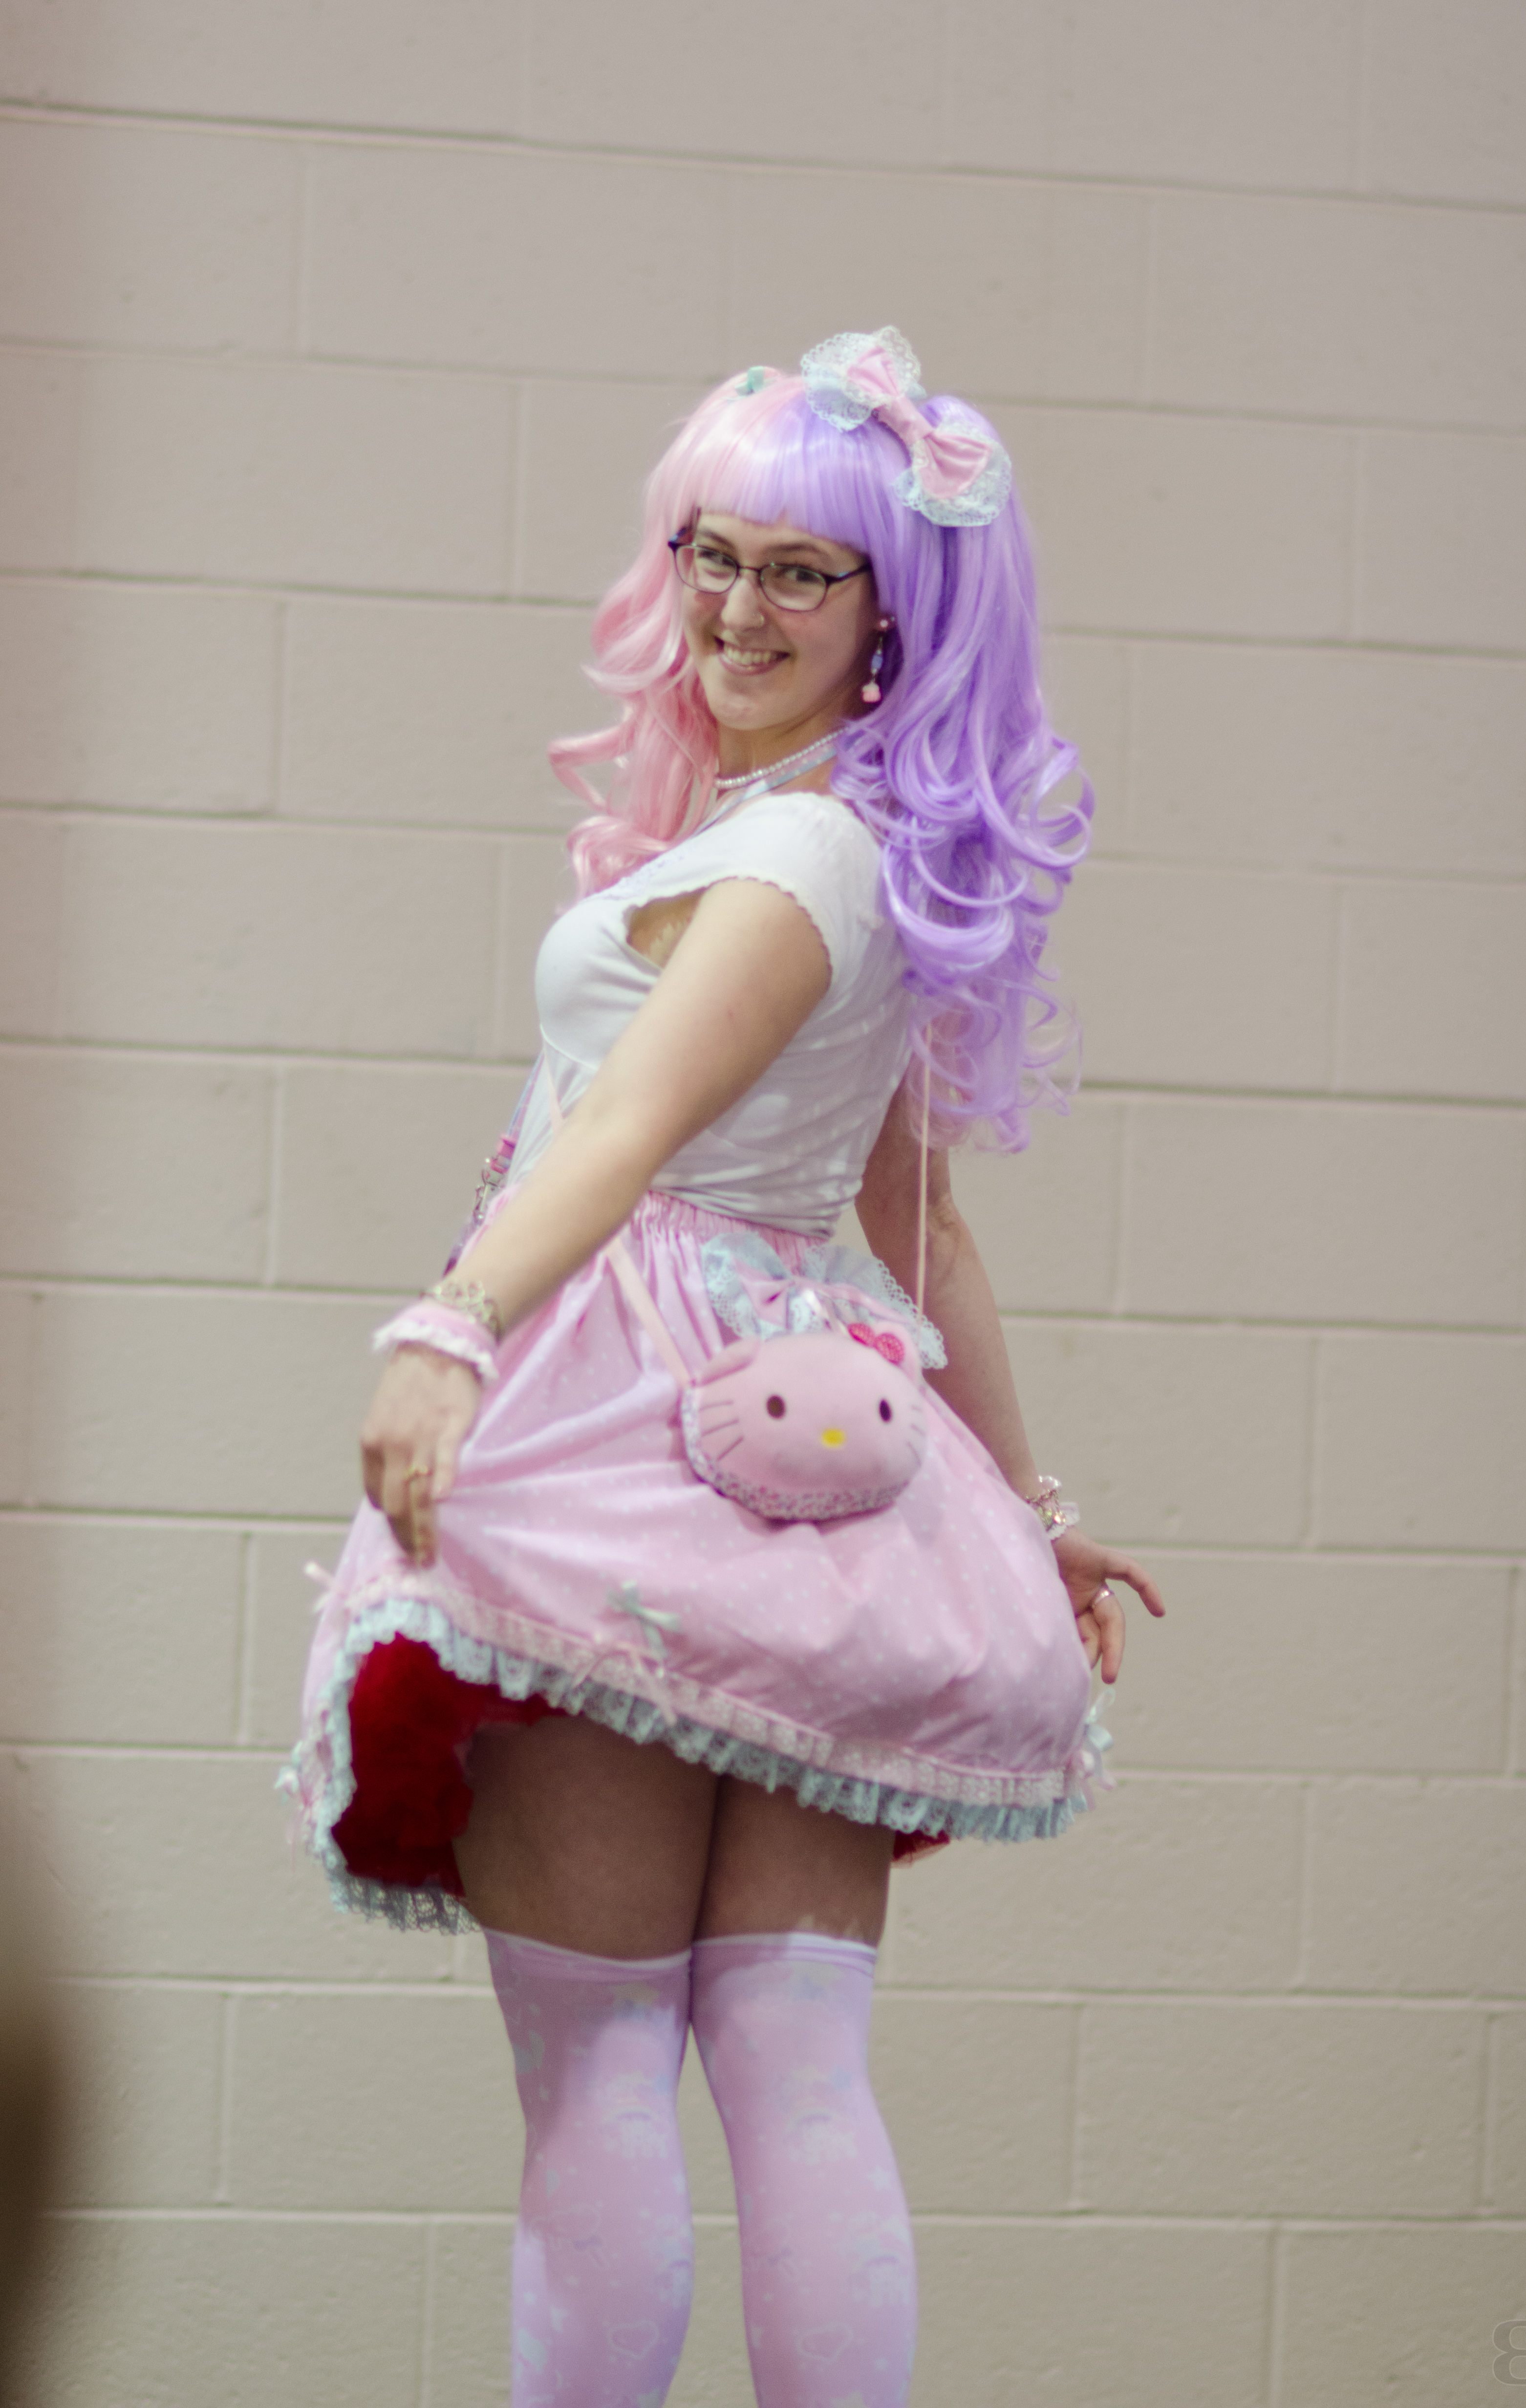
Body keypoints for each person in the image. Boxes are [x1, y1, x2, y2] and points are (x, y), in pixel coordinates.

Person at [283, 326, 1163, 2408]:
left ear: (890, 614)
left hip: (634, 1428)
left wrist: (452, 1325)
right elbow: (921, 1221)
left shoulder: (789, 859)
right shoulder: (847, 845)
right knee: (795, 2063)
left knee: (604, 2065)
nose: (737, 607)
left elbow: (624, 1129)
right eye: (716, 552)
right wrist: (1032, 1506)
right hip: (819, 1449)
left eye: (801, 573)